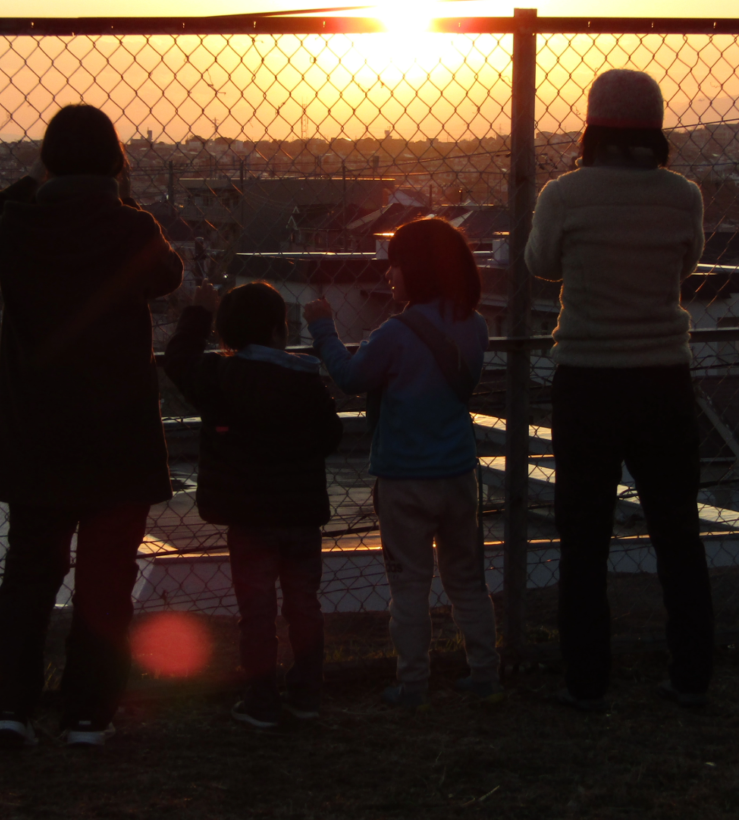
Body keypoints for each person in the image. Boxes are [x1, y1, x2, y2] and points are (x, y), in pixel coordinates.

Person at [0, 104, 183, 747]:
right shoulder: (131, 229)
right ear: (116, 161)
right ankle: (88, 714)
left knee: (29, 577)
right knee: (106, 582)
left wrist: (30, 183)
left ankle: (12, 708)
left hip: (38, 434)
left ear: (47, 159)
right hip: (119, 438)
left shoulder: (19, 226)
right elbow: (169, 276)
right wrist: (119, 198)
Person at [525, 68, 714, 710]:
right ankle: (690, 675)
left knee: (584, 538)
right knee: (677, 531)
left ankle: (586, 682)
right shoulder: (683, 195)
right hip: (664, 377)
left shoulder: (564, 193)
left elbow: (540, 263)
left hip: (588, 378)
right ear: (656, 127)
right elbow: (687, 265)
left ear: (592, 125)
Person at [305, 218, 502, 711]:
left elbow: (351, 377)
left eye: (394, 265)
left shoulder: (395, 332)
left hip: (404, 477)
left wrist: (324, 329)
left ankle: (412, 683)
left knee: (409, 585)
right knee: (467, 580)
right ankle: (485, 672)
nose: (388, 275)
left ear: (416, 269)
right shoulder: (475, 325)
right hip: (458, 472)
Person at [163, 280, 343, 728]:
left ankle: (261, 699)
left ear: (226, 334)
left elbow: (178, 360)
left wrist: (198, 312)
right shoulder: (306, 379)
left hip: (248, 518)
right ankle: (307, 694)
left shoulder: (220, 376)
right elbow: (331, 436)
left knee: (256, 611)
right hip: (300, 514)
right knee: (304, 604)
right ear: (281, 330)